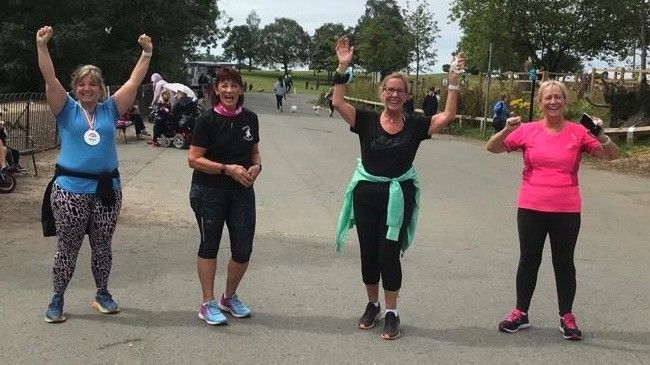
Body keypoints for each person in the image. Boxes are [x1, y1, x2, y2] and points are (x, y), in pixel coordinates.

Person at [332, 36, 465, 340]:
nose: (394, 94)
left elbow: (447, 116)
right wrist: (343, 66)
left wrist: (453, 83)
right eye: (389, 89)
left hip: (397, 197)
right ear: (382, 92)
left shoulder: (416, 125)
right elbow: (338, 102)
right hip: (366, 196)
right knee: (368, 253)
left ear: (406, 96)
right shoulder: (365, 120)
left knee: (388, 254)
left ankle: (392, 311)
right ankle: (372, 304)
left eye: (400, 91)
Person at [486, 80, 620, 341]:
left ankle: (566, 316)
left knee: (564, 262)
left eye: (558, 97)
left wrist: (601, 134)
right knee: (528, 260)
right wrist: (505, 131)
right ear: (540, 103)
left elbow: (612, 156)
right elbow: (491, 147)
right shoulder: (527, 130)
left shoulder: (578, 132)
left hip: (566, 208)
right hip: (531, 206)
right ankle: (520, 313)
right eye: (548, 98)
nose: (553, 102)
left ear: (565, 101)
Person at [36, 25, 152, 323]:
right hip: (70, 191)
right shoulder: (66, 109)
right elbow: (49, 78)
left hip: (106, 190)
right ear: (75, 88)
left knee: (102, 246)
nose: (87, 89)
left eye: (93, 85)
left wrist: (146, 53)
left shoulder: (111, 110)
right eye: (82, 85)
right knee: (68, 247)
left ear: (101, 89)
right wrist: (42, 46)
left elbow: (134, 81)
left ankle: (102, 293)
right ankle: (57, 297)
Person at [188, 67, 261, 326]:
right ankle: (207, 303)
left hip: (242, 191)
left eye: (234, 86)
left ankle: (228, 298)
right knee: (210, 245)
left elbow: (254, 152)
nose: (229, 90)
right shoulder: (207, 120)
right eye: (224, 86)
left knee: (243, 248)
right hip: (209, 191)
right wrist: (225, 169)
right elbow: (193, 159)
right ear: (216, 90)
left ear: (241, 90)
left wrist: (257, 167)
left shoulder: (250, 118)